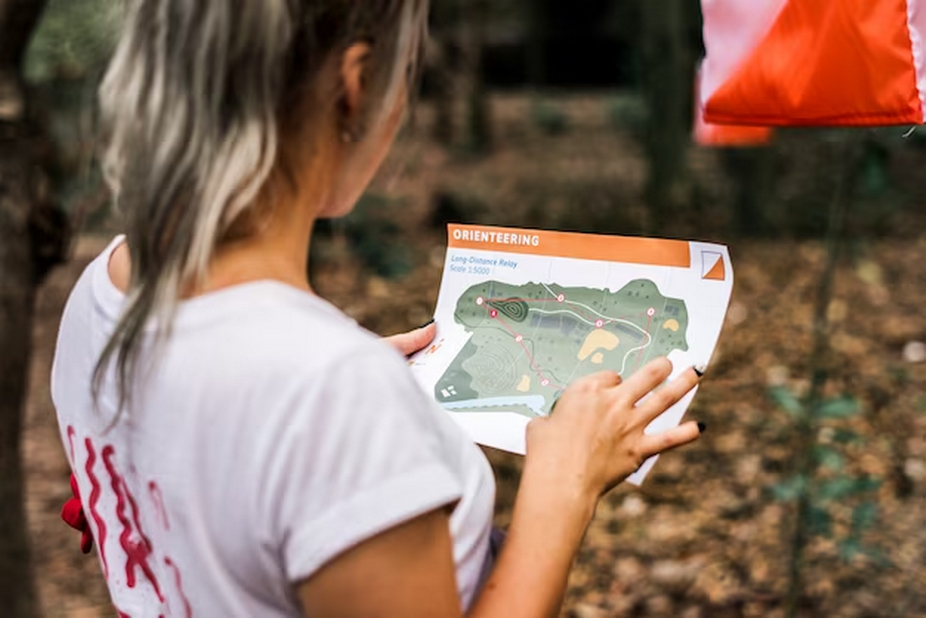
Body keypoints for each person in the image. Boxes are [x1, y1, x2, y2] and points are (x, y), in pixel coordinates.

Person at [51, 1, 706, 616]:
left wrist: (335, 393)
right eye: (407, 73)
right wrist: (562, 491)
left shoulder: (101, 290)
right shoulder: (333, 396)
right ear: (356, 84)